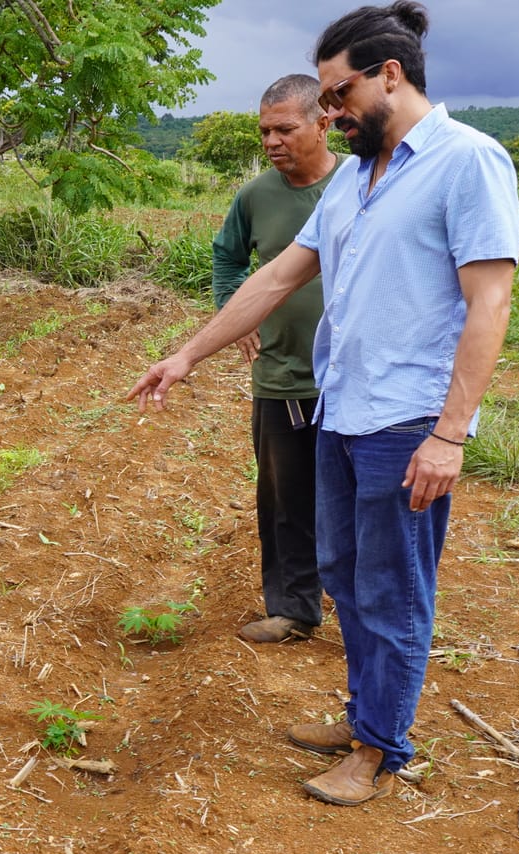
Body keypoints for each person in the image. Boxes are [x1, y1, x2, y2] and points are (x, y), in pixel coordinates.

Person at [127, 0, 518, 806]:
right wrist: (189, 354)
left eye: (340, 96)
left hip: (407, 420)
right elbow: (276, 276)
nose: (331, 112)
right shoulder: (355, 180)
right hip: (342, 406)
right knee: (342, 570)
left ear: (390, 75)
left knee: (391, 587)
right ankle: (364, 714)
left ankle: (379, 749)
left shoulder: (467, 161)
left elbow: (490, 303)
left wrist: (449, 435)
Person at [212, 74, 349, 645]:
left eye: (285, 129)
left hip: (356, 378)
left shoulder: (361, 183)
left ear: (323, 122)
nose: (272, 141)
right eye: (265, 131)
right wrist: (235, 314)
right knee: (286, 500)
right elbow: (227, 258)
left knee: (362, 501)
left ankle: (367, 613)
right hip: (283, 375)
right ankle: (294, 610)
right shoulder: (255, 196)